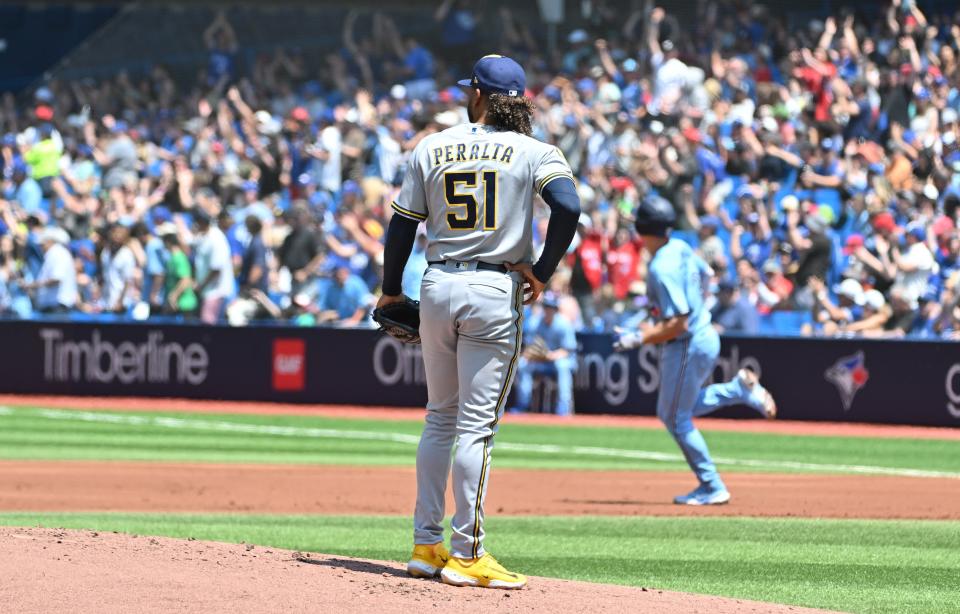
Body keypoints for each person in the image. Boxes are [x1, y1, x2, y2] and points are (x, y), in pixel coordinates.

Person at [377, 55, 579, 589]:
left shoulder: (433, 145)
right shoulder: (537, 150)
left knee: (439, 417)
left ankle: (426, 545)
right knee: (476, 426)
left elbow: (402, 225)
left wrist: (390, 289)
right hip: (493, 287)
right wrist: (543, 270)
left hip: (437, 282)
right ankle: (468, 555)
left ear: (477, 96)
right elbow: (568, 206)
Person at [613, 195, 776, 506]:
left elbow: (678, 324)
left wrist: (638, 339)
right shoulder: (680, 246)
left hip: (687, 343)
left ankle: (712, 485)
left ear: (642, 228)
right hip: (704, 335)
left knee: (676, 418)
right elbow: (707, 275)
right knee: (674, 411)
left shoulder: (661, 266)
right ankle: (737, 390)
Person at [510, 292, 578, 416]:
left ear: (556, 309)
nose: (548, 310)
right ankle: (523, 404)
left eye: (551, 307)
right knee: (523, 364)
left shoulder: (564, 324)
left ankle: (564, 407)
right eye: (546, 306)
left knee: (562, 366)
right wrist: (531, 355)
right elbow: (529, 346)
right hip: (540, 361)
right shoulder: (534, 323)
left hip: (559, 360)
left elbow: (568, 349)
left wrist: (552, 356)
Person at [23, 227, 77, 314]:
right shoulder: (55, 254)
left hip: (56, 308)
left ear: (50, 242)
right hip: (53, 307)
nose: (40, 248)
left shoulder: (57, 253)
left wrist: (32, 285)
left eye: (42, 245)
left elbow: (56, 279)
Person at [193, 212, 234, 324]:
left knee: (209, 330)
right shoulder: (205, 236)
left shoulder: (216, 238)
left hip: (216, 292)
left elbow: (216, 268)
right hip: (208, 291)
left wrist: (200, 286)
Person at [161, 232, 198, 316]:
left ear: (168, 243)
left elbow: (185, 279)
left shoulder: (179, 258)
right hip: (177, 305)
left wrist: (174, 296)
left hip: (183, 305)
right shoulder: (173, 258)